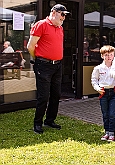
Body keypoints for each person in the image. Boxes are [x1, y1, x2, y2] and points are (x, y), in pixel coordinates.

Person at [27, 4, 70, 134]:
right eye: (62, 14)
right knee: (43, 96)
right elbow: (30, 46)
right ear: (54, 12)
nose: (63, 18)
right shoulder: (41, 24)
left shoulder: (60, 28)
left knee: (56, 95)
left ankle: (50, 120)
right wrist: (38, 60)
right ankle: (37, 123)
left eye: (65, 15)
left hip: (57, 65)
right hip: (43, 65)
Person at [91, 45, 115, 142]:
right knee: (105, 113)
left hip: (113, 92)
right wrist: (97, 88)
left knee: (112, 114)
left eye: (111, 55)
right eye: (106, 55)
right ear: (102, 56)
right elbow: (94, 80)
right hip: (103, 92)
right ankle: (106, 132)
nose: (109, 57)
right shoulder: (98, 68)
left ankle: (112, 133)